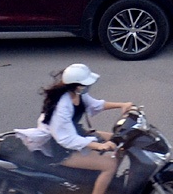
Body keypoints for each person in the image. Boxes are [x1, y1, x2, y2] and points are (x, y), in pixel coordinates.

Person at [14, 63, 134, 194]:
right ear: (77, 85)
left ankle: (108, 185)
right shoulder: (62, 106)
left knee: (119, 139)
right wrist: (98, 146)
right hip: (62, 149)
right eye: (86, 84)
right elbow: (66, 139)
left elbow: (95, 105)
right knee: (110, 165)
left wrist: (123, 105)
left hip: (76, 134)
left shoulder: (78, 94)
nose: (88, 86)